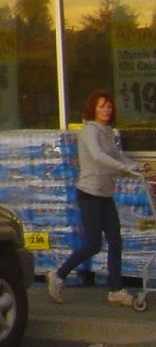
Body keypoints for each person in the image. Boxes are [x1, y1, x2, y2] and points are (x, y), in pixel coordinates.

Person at [46, 90, 152, 307]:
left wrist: (136, 166)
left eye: (109, 106)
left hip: (105, 193)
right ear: (93, 109)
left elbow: (115, 155)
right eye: (102, 106)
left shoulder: (108, 132)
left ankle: (116, 290)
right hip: (89, 194)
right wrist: (125, 168)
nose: (106, 110)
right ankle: (58, 274)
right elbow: (98, 156)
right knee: (93, 245)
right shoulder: (89, 132)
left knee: (115, 240)